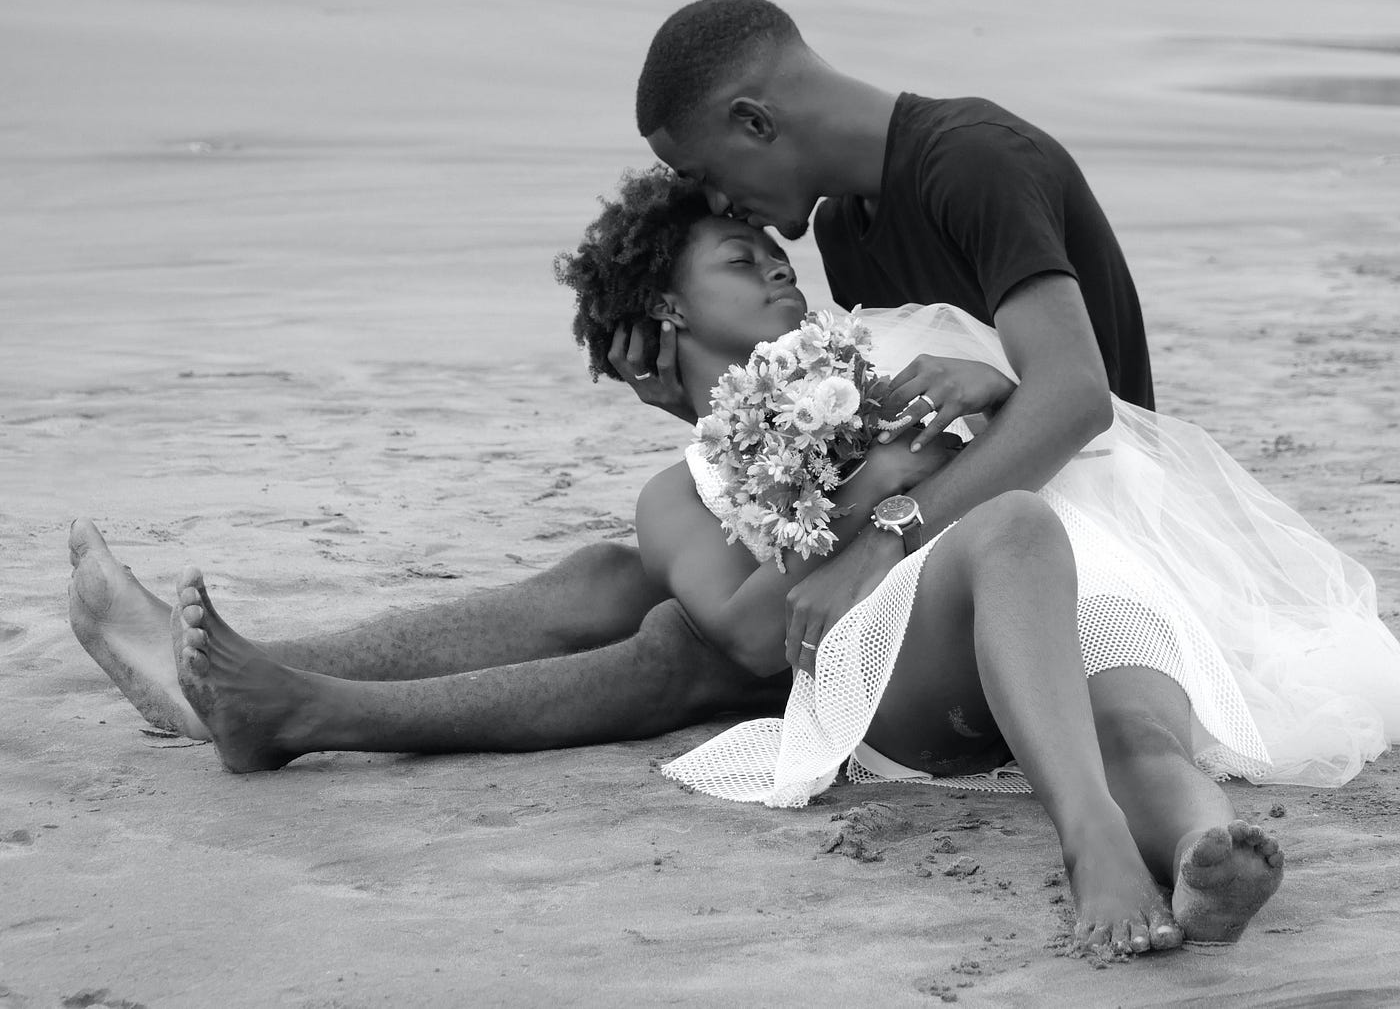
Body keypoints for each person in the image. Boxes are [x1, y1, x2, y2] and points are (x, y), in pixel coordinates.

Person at [72, 167, 1399, 953]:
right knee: (967, 538)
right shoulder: (680, 488)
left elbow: (1058, 428)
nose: (778, 265)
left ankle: (1205, 857)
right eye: (738, 255)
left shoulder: (899, 335)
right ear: (664, 307)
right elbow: (755, 631)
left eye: (772, 248)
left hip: (1081, 585)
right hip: (926, 640)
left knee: (1132, 711)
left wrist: (978, 395)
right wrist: (883, 479)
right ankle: (276, 693)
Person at [630, 0, 1154, 647]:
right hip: (964, 535)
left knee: (682, 648)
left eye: (704, 174)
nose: (716, 205)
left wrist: (888, 538)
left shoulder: (975, 161)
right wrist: (698, 408)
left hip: (1098, 533)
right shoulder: (843, 230)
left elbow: (1074, 399)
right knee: (635, 595)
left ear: (755, 122)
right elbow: (902, 434)